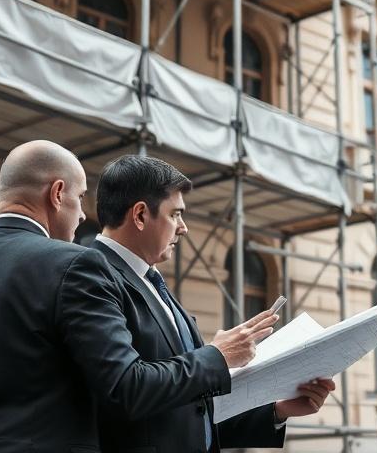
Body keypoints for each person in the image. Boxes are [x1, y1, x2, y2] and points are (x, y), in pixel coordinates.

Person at [0, 140, 275, 453]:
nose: (84, 216)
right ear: (57, 193)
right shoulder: (75, 265)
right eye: (80, 198)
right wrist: (217, 357)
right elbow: (124, 387)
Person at [91, 154, 334, 453]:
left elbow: (192, 412)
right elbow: (126, 389)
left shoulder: (150, 279)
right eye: (175, 214)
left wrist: (277, 410)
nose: (184, 228)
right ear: (140, 215)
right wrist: (217, 356)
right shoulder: (94, 273)